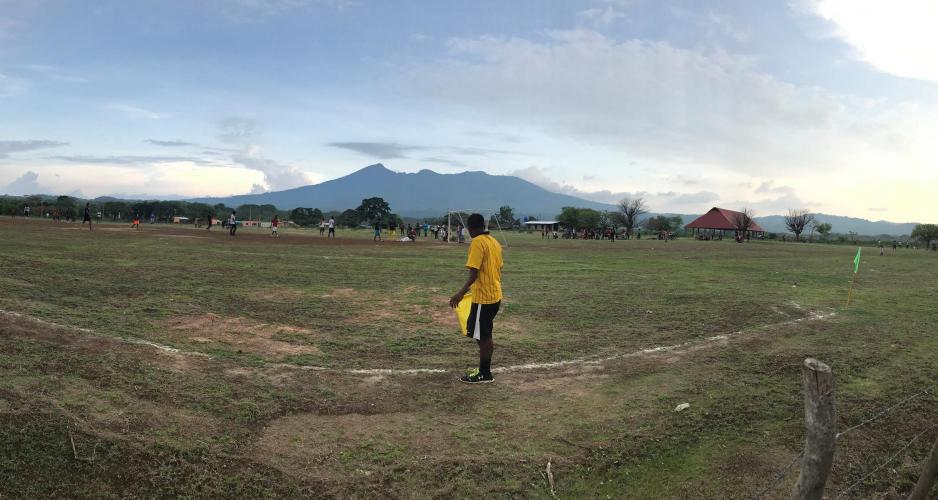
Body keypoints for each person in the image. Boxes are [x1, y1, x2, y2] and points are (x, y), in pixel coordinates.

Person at [449, 213, 503, 384]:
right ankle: (483, 370)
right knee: (483, 334)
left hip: (484, 298)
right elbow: (498, 267)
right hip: (495, 294)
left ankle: (485, 373)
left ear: (470, 228)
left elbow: (474, 271)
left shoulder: (477, 242)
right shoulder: (494, 242)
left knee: (483, 336)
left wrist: (460, 293)